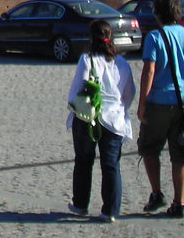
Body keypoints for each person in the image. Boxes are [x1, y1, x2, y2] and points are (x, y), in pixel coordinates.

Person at [137, 0, 184, 219]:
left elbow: (149, 71)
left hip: (159, 101)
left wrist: (142, 104)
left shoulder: (154, 37)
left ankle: (157, 193)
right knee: (182, 153)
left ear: (157, 15)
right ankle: (179, 203)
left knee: (150, 148)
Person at [66, 19, 136, 223]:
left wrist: (72, 106)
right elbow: (130, 92)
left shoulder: (87, 60)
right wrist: (119, 108)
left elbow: (76, 90)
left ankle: (80, 204)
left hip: (89, 118)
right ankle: (111, 211)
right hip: (114, 119)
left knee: (83, 161)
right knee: (111, 164)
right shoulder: (121, 63)